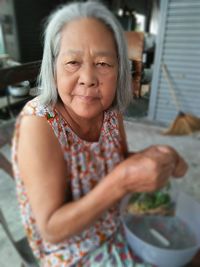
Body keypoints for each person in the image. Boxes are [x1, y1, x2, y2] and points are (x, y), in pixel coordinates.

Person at [12, 1, 188, 266]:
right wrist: (121, 182)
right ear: (53, 66)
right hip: (72, 250)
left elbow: (118, 161)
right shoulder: (40, 124)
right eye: (73, 62)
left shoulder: (109, 112)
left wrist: (159, 158)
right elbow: (51, 229)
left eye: (103, 63)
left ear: (119, 69)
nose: (88, 78)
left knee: (187, 243)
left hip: (115, 220)